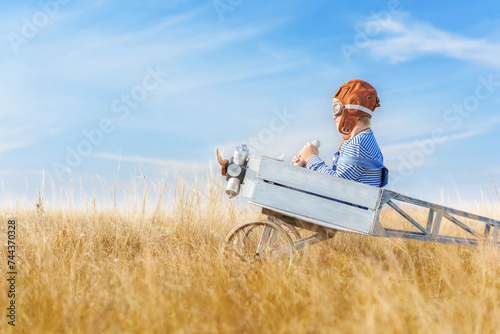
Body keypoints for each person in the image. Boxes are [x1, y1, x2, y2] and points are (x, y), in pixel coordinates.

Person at [292, 79, 388, 187]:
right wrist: (308, 166)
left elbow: (338, 184)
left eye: (336, 109)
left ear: (353, 108)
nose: (334, 116)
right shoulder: (362, 140)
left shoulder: (358, 144)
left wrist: (311, 158)